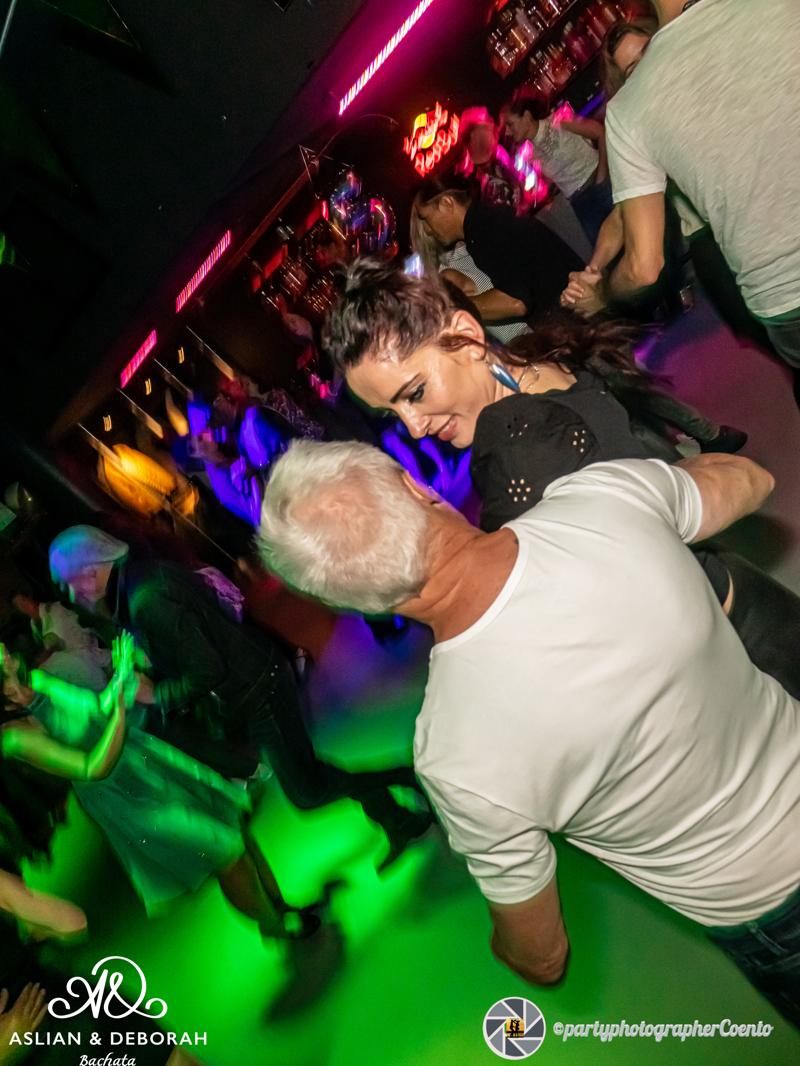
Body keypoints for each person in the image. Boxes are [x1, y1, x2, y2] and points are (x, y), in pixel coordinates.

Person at [256, 439, 800, 1025]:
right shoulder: (601, 500)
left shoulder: (454, 757)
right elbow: (751, 480)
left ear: (352, 600)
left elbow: (543, 958)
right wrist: (661, 487)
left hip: (767, 908)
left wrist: (505, 948)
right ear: (416, 487)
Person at [319, 261, 800, 702]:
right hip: (741, 592)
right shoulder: (537, 359)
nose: (414, 428)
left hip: (731, 659)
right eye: (392, 413)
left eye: (416, 392)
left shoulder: (515, 456)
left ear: (465, 337)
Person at [46, 526, 431, 871]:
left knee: (307, 792)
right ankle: (398, 819)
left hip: (259, 689)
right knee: (305, 773)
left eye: (68, 584)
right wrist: (145, 668)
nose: (70, 595)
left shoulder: (146, 599)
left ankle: (406, 775)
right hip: (253, 683)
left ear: (89, 572)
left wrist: (155, 694)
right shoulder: (139, 583)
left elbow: (206, 669)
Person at [1, 634, 321, 940]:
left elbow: (98, 709)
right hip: (123, 799)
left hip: (145, 762)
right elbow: (91, 768)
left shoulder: (38, 681)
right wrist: (121, 710)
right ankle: (273, 925)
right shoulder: (15, 737)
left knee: (234, 828)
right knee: (225, 852)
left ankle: (281, 908)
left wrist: (120, 678)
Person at [569, 0, 800, 380]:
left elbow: (642, 264)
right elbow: (621, 219)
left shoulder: (706, 61)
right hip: (730, 252)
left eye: (646, 51)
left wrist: (603, 294)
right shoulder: (640, 113)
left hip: (767, 267)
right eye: (633, 68)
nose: (645, 66)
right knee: (759, 338)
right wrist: (594, 268)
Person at [412, 174, 583, 324]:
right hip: (576, 308)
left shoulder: (484, 229)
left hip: (576, 315)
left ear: (447, 203)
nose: (427, 229)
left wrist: (450, 310)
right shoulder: (483, 222)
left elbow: (515, 302)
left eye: (425, 218)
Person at [502, 98, 611, 246]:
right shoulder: (530, 154)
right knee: (610, 252)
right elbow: (548, 185)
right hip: (580, 203)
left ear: (526, 116)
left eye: (510, 124)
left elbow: (599, 131)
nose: (507, 132)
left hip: (600, 183)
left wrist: (602, 176)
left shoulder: (559, 120)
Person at [457, 108, 521, 212]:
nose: (495, 131)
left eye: (492, 127)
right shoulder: (473, 183)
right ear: (473, 137)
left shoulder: (499, 158)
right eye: (487, 128)